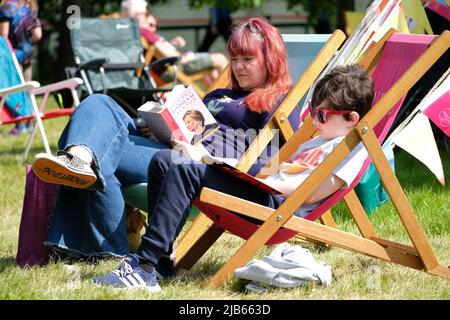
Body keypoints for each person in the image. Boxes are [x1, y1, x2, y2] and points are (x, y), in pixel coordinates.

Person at [31, 18, 298, 271]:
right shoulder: (220, 94)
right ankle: (79, 158)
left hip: (193, 167)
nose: (238, 67)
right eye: (234, 59)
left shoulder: (278, 101)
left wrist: (199, 142)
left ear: (270, 60)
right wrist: (156, 127)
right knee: (97, 103)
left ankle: (97, 224)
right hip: (167, 148)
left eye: (248, 59)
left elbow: (273, 161)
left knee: (96, 150)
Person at [92, 63, 374, 290]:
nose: (314, 120)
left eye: (322, 115)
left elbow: (310, 192)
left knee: (184, 165)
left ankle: (143, 266)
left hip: (275, 207)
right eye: (313, 111)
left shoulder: (352, 151)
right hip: (263, 189)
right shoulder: (318, 140)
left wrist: (261, 179)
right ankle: (162, 262)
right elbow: (281, 168)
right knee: (165, 160)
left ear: (351, 118)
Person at [120, 0, 228, 85]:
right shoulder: (144, 32)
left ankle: (216, 99)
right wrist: (188, 56)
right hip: (171, 69)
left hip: (164, 69)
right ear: (136, 15)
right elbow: (172, 56)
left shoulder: (133, 33)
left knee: (211, 70)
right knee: (220, 58)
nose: (147, 15)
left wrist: (172, 45)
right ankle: (233, 96)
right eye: (145, 12)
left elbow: (159, 52)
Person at [0, 0, 41, 134]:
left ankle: (19, 125)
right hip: (28, 53)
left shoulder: (7, 7)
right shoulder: (29, 7)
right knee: (28, 87)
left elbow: (4, 36)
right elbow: (38, 34)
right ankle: (30, 122)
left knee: (16, 89)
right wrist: (27, 44)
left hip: (13, 55)